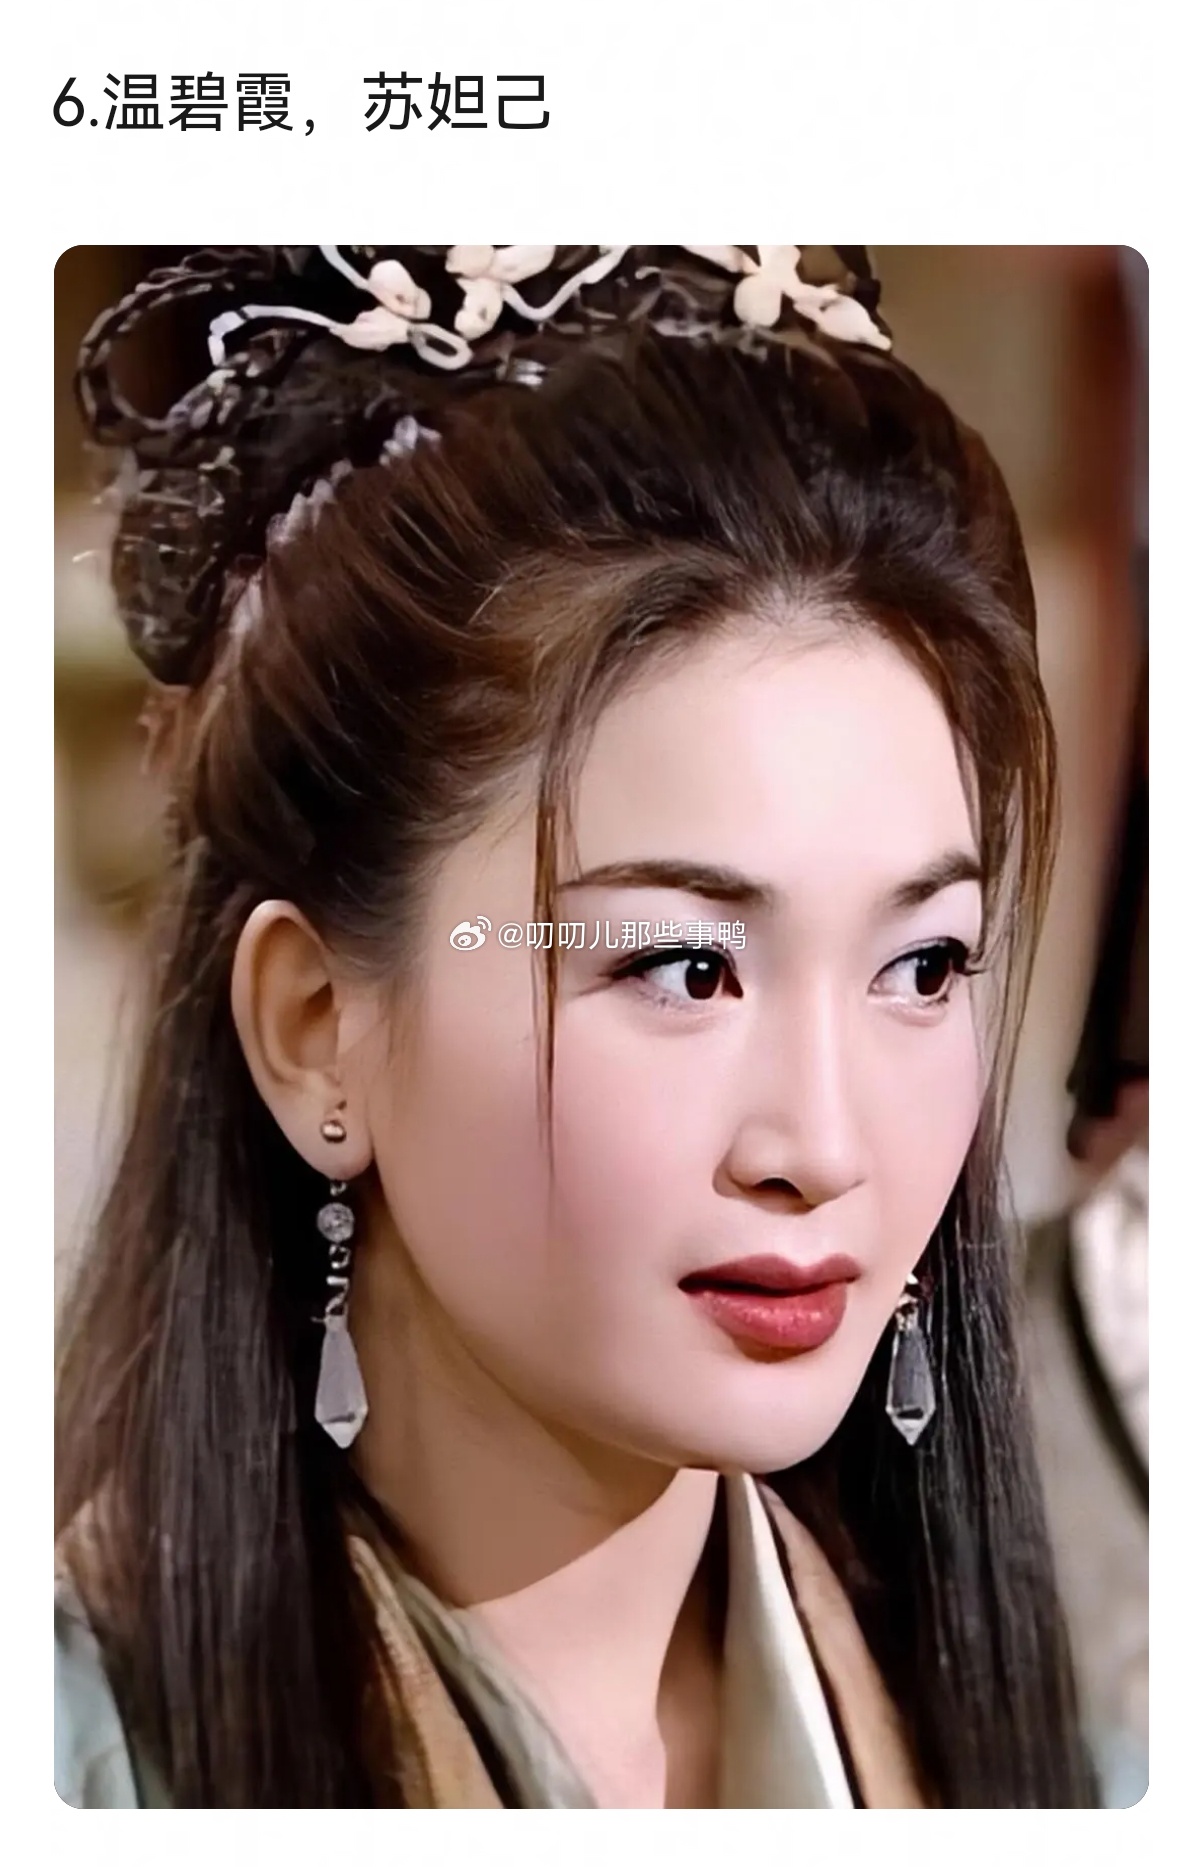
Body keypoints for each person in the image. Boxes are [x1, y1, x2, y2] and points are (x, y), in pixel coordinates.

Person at [55, 244, 1096, 1809]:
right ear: (317, 1025)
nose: (823, 1147)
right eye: (684, 968)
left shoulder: (1026, 1756)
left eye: (923, 968)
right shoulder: (80, 1767)